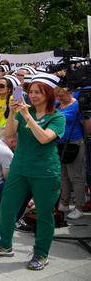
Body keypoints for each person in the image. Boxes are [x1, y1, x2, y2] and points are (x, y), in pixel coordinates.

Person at [0, 73, 66, 271]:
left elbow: (44, 138)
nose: (34, 95)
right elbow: (10, 134)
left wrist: (27, 115)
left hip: (45, 172)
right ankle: (4, 244)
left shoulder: (57, 116)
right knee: (8, 206)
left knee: (44, 214)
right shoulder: (22, 112)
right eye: (31, 92)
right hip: (20, 168)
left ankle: (41, 253)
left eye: (38, 92)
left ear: (48, 94)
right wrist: (13, 113)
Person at [54, 86, 86, 221]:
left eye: (62, 94)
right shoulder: (57, 104)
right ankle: (64, 202)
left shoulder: (77, 105)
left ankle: (79, 207)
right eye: (58, 95)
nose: (60, 97)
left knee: (76, 177)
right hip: (60, 144)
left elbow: (85, 124)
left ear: (71, 92)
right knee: (63, 176)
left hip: (74, 143)